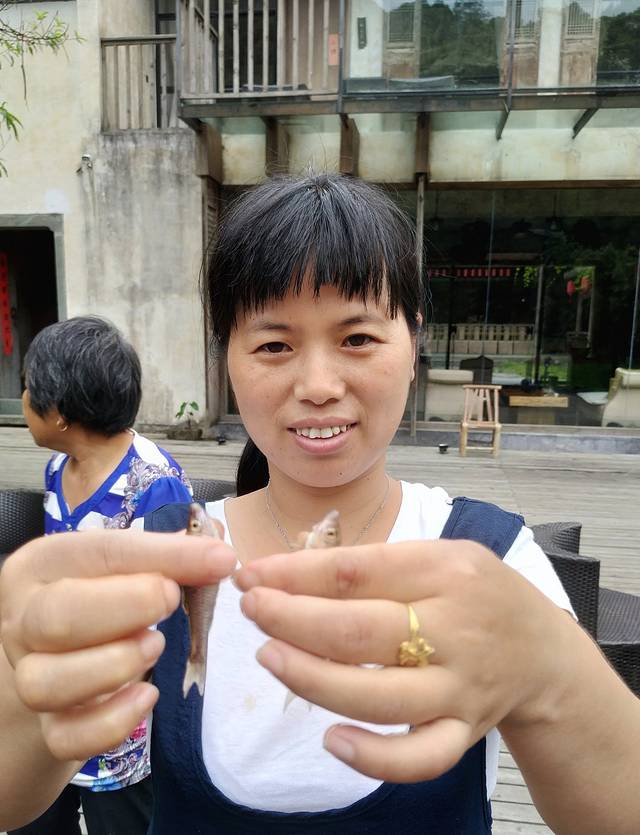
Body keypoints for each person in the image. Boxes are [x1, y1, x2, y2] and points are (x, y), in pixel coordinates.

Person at [1, 176, 639, 835]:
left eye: (357, 338)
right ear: (227, 359)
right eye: (274, 344)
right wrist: (22, 671)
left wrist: (548, 672)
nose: (318, 385)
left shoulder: (492, 558)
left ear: (413, 344)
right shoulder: (157, 554)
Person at [12, 316, 194, 835]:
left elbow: (168, 608)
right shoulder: (58, 468)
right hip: (51, 700)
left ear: (58, 413)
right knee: (34, 813)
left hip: (117, 718)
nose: (23, 399)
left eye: (29, 388)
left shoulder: (154, 486)